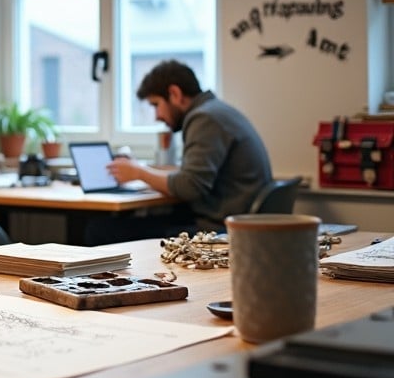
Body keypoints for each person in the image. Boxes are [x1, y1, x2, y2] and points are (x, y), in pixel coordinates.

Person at [85, 59, 273, 245]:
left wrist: (139, 172)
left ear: (175, 94)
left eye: (156, 104)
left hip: (218, 230)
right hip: (232, 219)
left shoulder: (204, 118)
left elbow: (189, 186)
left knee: (100, 230)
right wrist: (140, 170)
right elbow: (191, 176)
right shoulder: (217, 112)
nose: (157, 116)